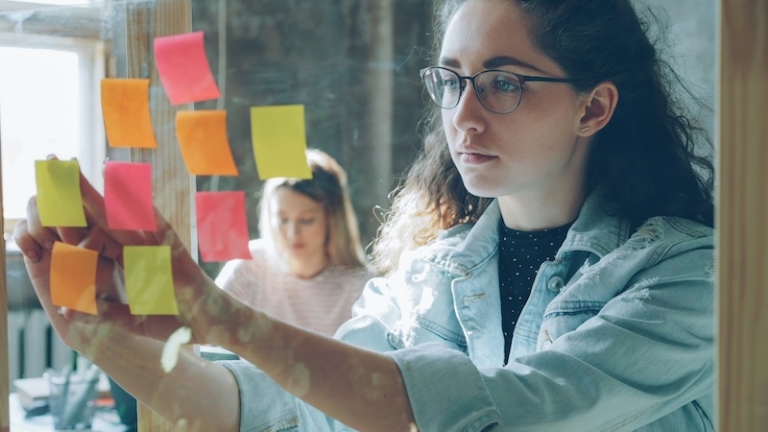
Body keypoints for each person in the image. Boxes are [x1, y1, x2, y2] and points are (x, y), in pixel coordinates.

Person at [14, 0, 715, 431]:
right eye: (451, 81)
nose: (461, 118)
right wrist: (101, 340)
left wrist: (219, 315)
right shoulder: (432, 277)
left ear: (592, 107)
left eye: (503, 83)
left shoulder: (692, 280)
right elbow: (268, 411)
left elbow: (508, 413)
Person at [215, 148, 372, 336]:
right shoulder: (249, 267)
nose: (292, 233)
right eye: (282, 219)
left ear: (332, 219)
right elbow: (205, 335)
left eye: (307, 220)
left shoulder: (361, 286)